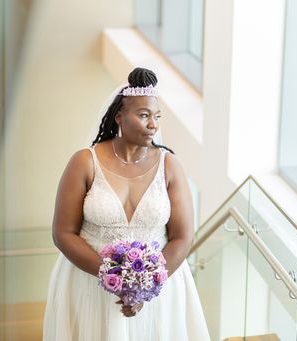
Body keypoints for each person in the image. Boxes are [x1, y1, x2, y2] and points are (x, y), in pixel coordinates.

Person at [43, 67, 211, 340]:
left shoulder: (170, 166)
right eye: (144, 115)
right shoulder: (85, 162)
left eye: (157, 116)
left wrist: (145, 286)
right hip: (90, 285)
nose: (153, 124)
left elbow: (183, 236)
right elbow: (63, 233)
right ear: (120, 117)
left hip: (159, 290)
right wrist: (116, 279)